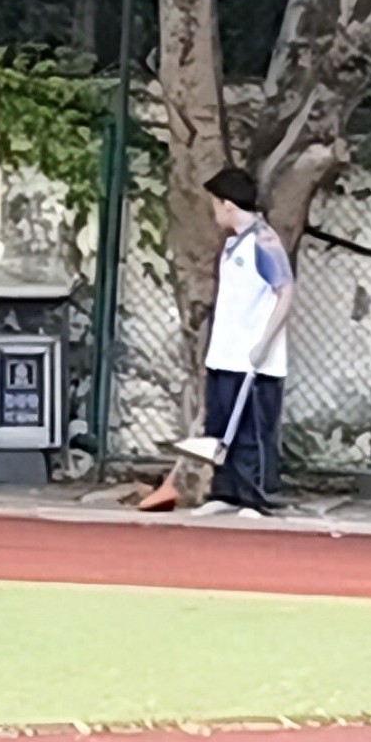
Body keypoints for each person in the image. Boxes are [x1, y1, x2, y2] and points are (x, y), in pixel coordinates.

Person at [142, 166, 295, 518]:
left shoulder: (264, 241)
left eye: (214, 204)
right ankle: (226, 491)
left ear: (227, 204)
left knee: (251, 430)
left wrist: (265, 342)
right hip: (226, 353)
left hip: (254, 358)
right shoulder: (232, 244)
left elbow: (285, 291)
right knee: (222, 426)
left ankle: (254, 497)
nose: (213, 212)